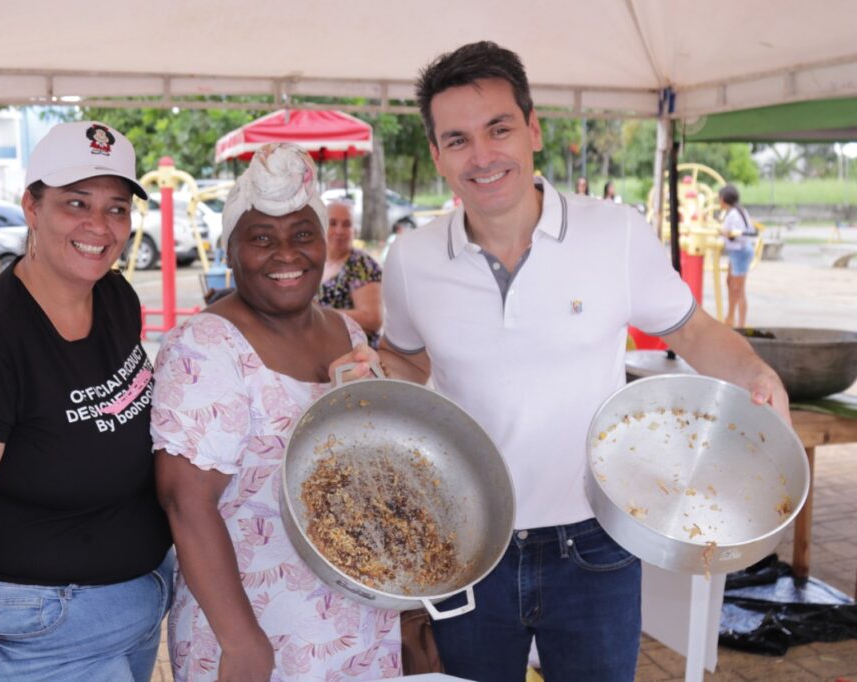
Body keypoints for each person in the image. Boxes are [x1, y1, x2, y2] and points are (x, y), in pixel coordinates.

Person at [335, 41, 788, 682]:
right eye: (458, 140)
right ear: (436, 155)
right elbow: (404, 359)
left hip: (597, 540)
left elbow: (692, 329)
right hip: (463, 541)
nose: (483, 156)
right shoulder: (413, 258)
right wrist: (371, 375)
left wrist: (754, 373)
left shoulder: (615, 232)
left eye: (499, 129)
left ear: (533, 130)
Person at [0, 121, 174, 682]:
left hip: (130, 611)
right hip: (33, 634)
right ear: (31, 207)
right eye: (76, 203)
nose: (100, 226)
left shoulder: (114, 297)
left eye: (117, 208)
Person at [151, 143, 401, 682]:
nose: (286, 255)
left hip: (357, 627)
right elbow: (185, 502)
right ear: (230, 250)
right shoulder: (205, 346)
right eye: (261, 238)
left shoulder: (347, 331)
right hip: (256, 633)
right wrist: (242, 643)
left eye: (302, 235)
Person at [318, 199, 384, 345]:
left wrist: (318, 315)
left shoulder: (361, 265)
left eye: (346, 224)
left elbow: (372, 319)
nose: (339, 230)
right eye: (333, 223)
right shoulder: (316, 261)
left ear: (354, 230)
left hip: (354, 358)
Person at [719, 184, 757, 328]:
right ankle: (730, 317)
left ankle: (740, 324)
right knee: (730, 282)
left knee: (738, 289)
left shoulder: (734, 214)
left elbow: (738, 233)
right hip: (736, 252)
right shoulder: (737, 211)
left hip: (740, 252)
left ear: (722, 199)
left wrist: (725, 233)